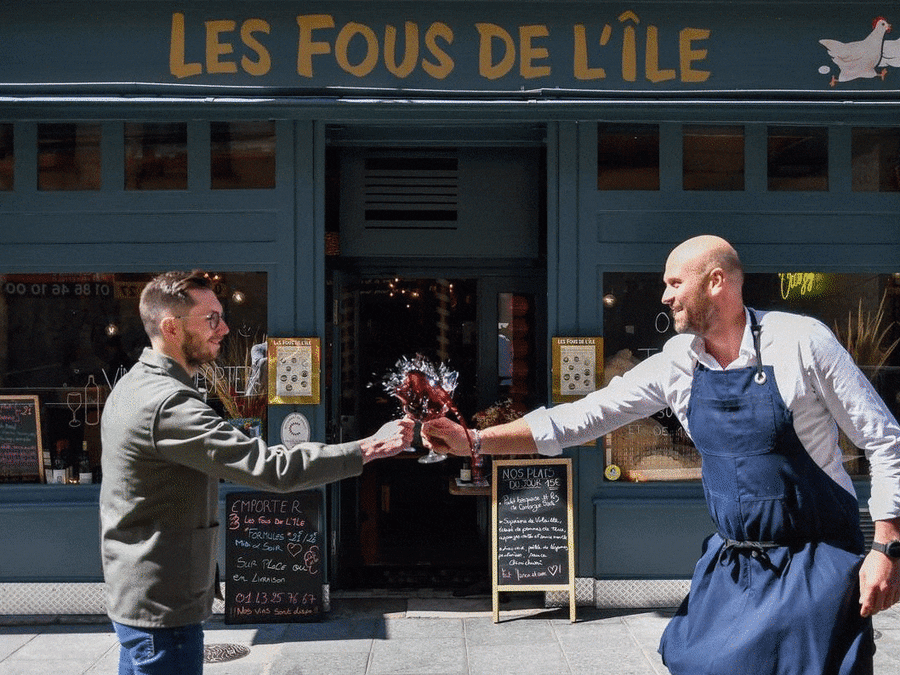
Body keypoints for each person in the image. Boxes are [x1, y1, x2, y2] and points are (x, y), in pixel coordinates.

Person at [423, 235, 900, 675]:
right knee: (697, 662)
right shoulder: (678, 362)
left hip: (816, 563)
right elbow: (583, 417)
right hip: (736, 564)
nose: (665, 296)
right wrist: (475, 441)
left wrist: (885, 546)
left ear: (715, 282)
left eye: (674, 283)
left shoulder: (802, 342)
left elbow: (883, 439)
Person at [100, 270, 414, 675]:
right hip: (163, 610)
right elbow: (273, 468)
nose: (224, 328)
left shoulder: (134, 384)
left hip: (142, 596)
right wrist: (369, 447)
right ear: (171, 327)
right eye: (211, 318)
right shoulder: (167, 404)